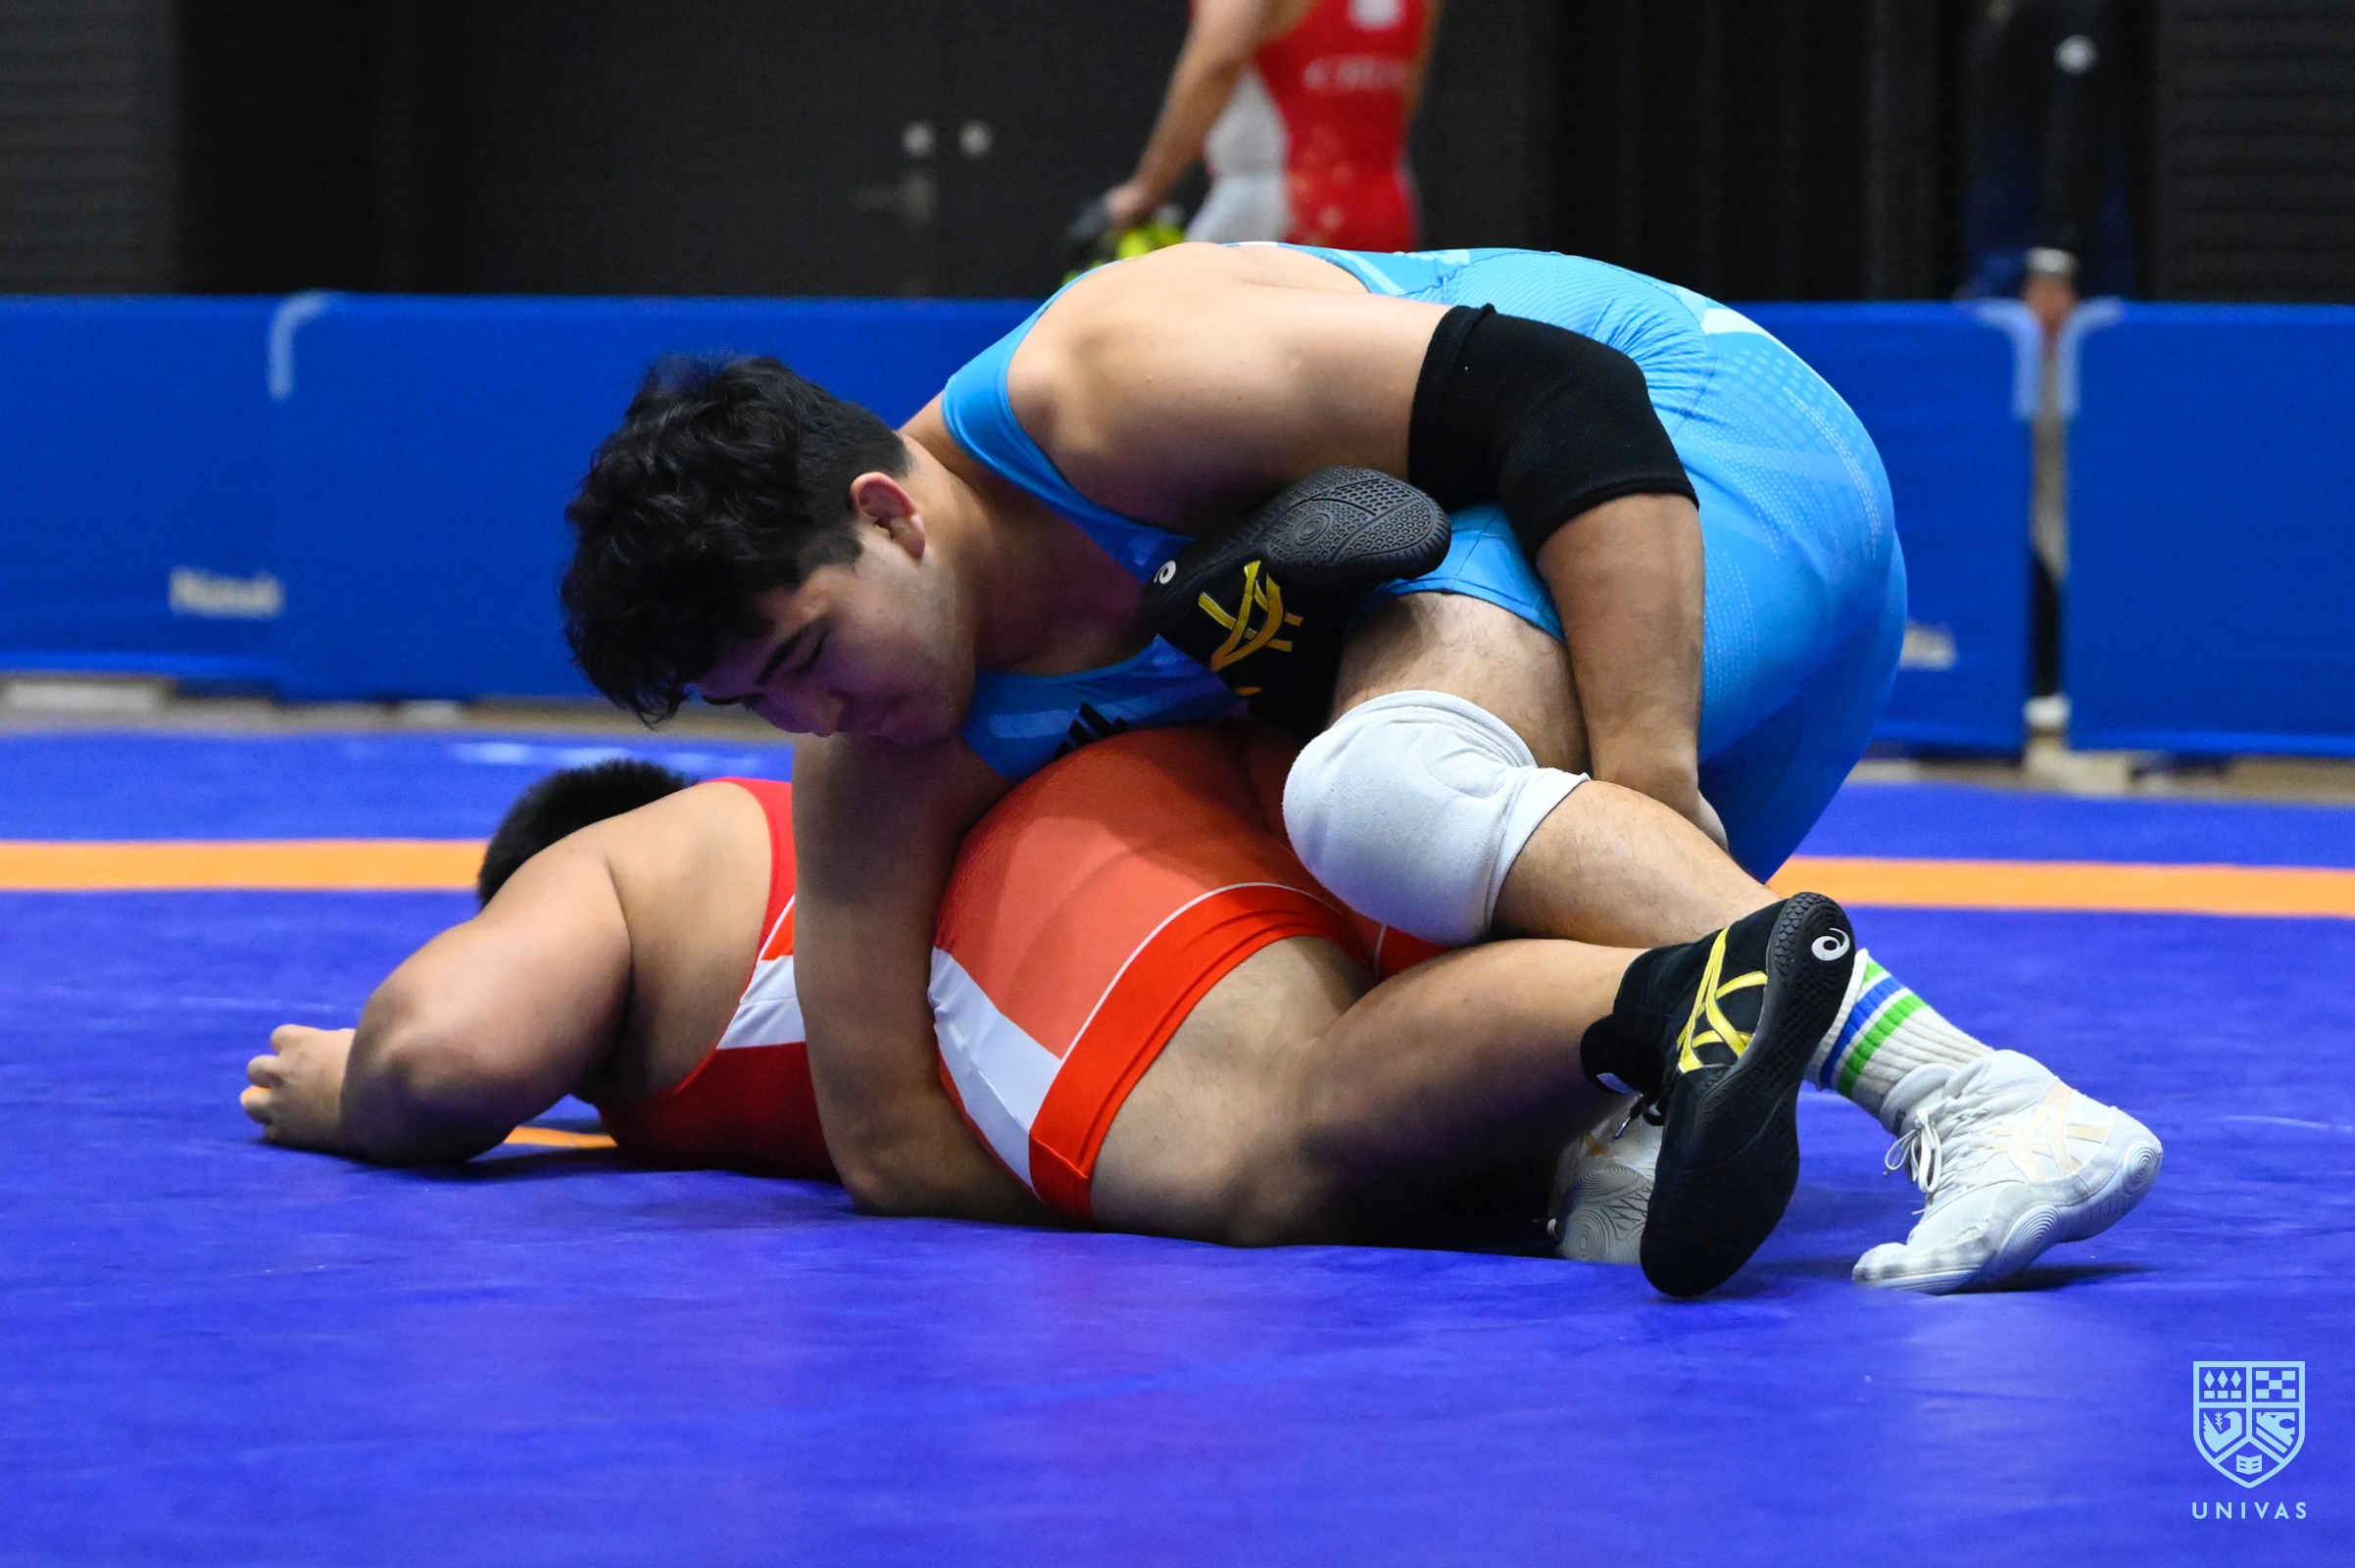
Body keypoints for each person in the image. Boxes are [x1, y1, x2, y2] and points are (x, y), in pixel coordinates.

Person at [559, 240, 2162, 1292]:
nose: (816, 723)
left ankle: (1980, 1098)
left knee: (1380, 791)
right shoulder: (876, 764)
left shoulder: (1098, 388)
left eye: (806, 659)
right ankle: (1631, 1093)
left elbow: (1568, 399)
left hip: (1695, 449)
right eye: (758, 710)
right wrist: (1266, 1175)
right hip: (1653, 614)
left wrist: (1648, 778)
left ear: (888, 513)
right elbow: (889, 1145)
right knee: (1557, 1154)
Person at [242, 740, 2158, 1297]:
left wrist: (349, 1085)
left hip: (1058, 926)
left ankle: (1661, 1006)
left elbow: (451, 1057)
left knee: (1257, 1155)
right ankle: (1600, 1124)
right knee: (1320, 1132)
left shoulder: (638, 851)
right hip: (1135, 884)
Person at [1103, 0, 1440, 250]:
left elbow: (1218, 63)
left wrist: (1147, 188)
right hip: (1387, 203)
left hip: (1275, 209)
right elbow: (1408, 88)